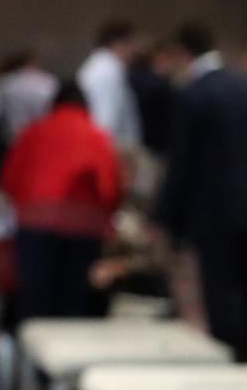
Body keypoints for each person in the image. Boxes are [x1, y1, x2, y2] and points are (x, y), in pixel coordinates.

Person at [155, 22, 247, 362]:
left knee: (220, 291)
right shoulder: (242, 84)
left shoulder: (192, 94)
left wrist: (166, 219)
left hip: (215, 210)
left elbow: (182, 165)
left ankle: (233, 364)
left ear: (182, 52)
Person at [0, 80, 121, 322]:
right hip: (84, 229)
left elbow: (9, 180)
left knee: (35, 299)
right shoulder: (97, 135)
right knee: (73, 300)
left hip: (35, 224)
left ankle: (32, 356)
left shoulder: (32, 132)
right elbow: (110, 188)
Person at [77, 18, 142, 149]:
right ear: (118, 44)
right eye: (132, 44)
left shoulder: (103, 68)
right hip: (111, 150)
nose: (135, 50)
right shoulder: (107, 72)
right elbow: (105, 123)